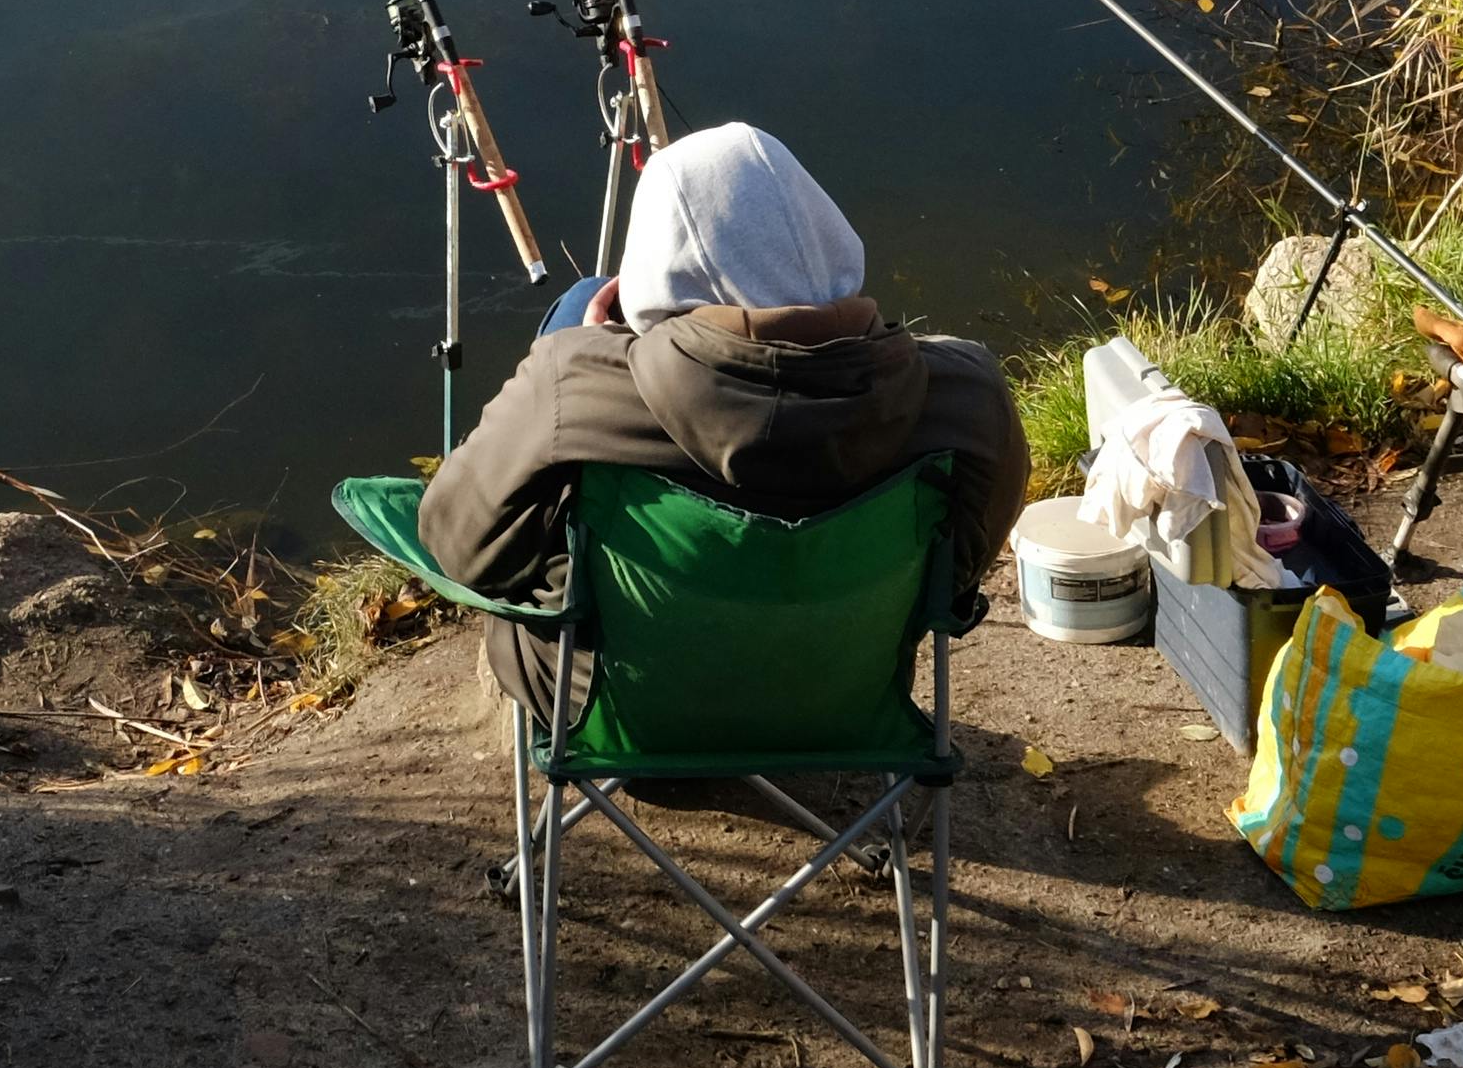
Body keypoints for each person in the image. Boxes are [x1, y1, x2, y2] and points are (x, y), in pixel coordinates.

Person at [420, 123, 1028, 686]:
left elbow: (458, 546)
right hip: (843, 694)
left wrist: (588, 349)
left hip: (619, 700)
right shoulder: (968, 395)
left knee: (578, 299)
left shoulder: (570, 387)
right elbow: (957, 578)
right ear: (827, 238)